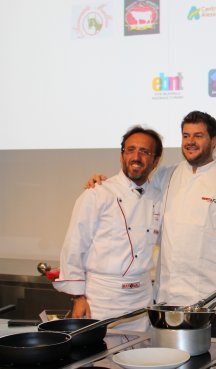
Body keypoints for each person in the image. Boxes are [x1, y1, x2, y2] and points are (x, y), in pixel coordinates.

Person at [87, 111, 216, 332]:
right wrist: (104, 183)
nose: (190, 142)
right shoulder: (167, 175)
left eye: (198, 136)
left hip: (212, 303)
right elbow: (134, 188)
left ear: (214, 141)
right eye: (186, 136)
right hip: (167, 300)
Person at [54, 126, 163, 331]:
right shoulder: (98, 193)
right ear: (122, 155)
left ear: (155, 160)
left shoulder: (158, 197)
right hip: (102, 299)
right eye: (130, 150)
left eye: (144, 152)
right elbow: (74, 246)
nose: (136, 157)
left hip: (141, 298)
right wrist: (78, 298)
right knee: (100, 359)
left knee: (140, 358)